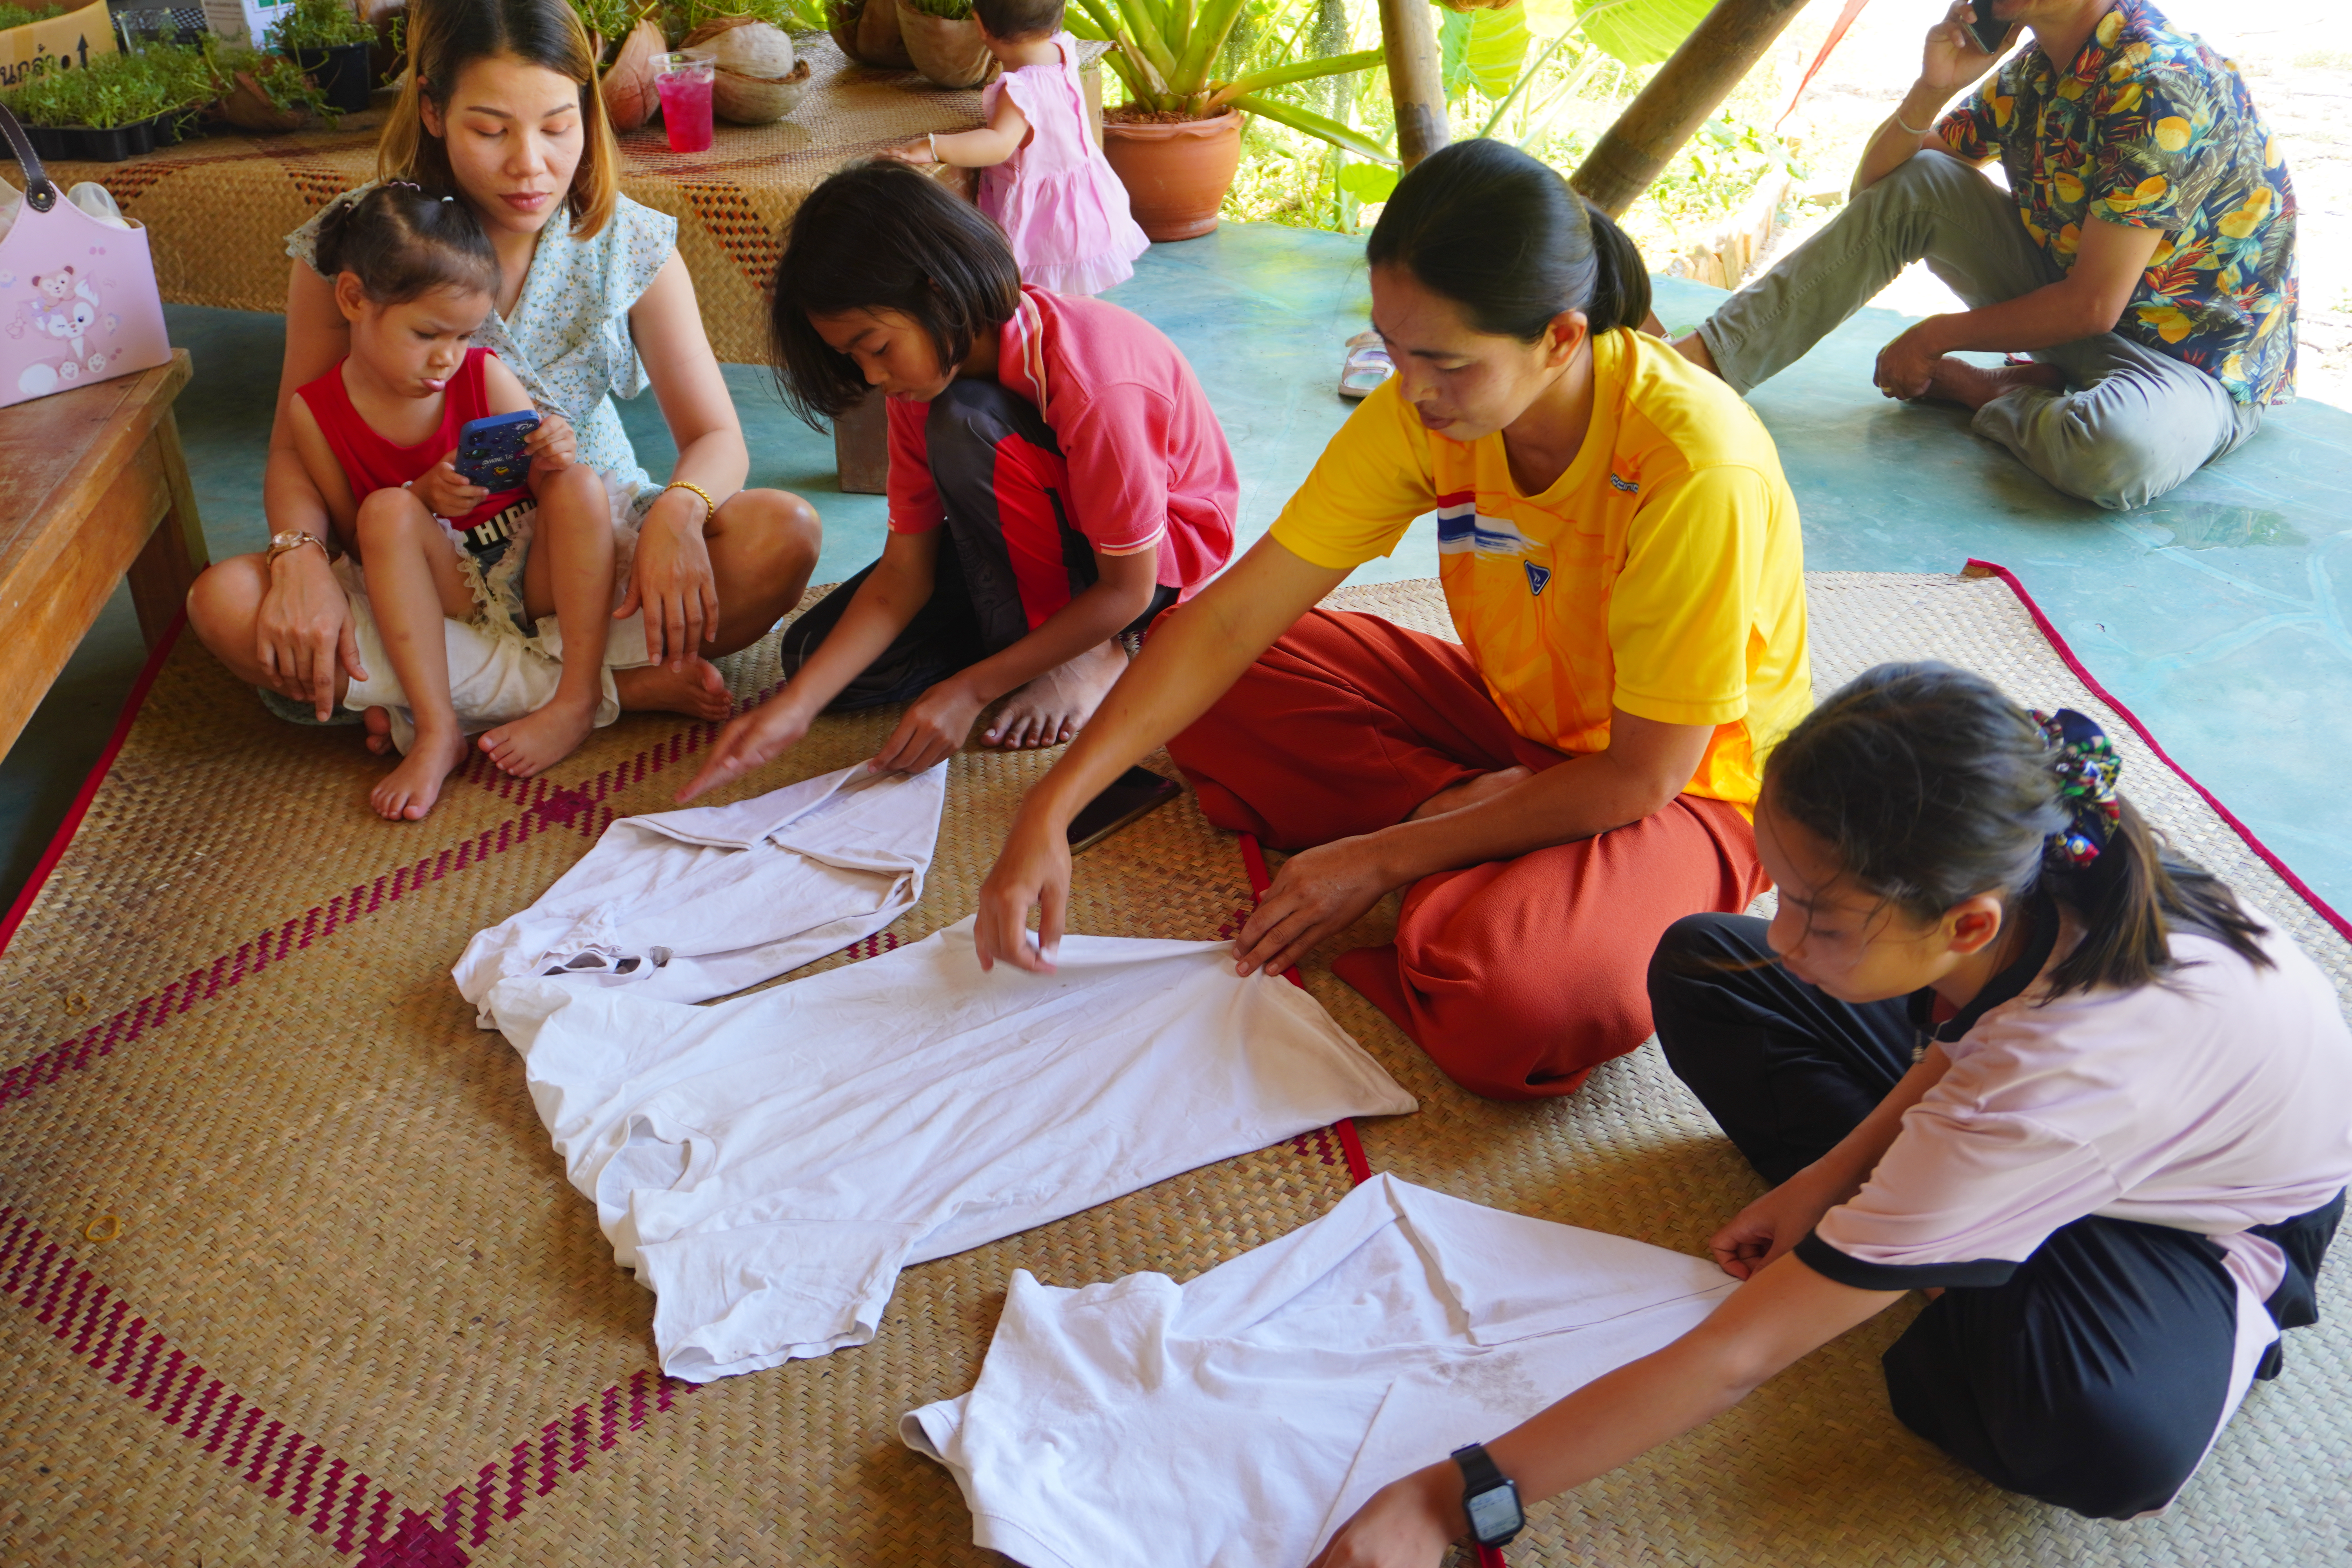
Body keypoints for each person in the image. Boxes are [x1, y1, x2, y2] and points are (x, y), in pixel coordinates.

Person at [1305, 664, 2352, 1565]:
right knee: (1707, 965)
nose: (1785, 937)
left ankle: (1942, 1245)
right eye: (1789, 890)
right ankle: (1929, 1234)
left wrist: (1449, 1497)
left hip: (2199, 1225)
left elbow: (1739, 1355)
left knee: (2083, 1431)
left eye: (1821, 918)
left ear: (1966, 924)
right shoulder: (2038, 858)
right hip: (2059, 1102)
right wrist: (1826, 1180)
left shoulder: (2067, 1073)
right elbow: (1971, 1039)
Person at [966, 138, 1812, 1101]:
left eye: (1445, 362)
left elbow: (1643, 772)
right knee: (1194, 661)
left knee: (1510, 1000)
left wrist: (1379, 858)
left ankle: (1484, 853)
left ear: (1560, 339)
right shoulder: (1429, 406)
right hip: (1520, 723)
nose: (1410, 388)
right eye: (1393, 347)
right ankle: (1481, 816)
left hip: (1690, 788)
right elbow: (1237, 618)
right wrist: (1051, 806)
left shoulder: (1696, 469)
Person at [185, 0, 820, 780]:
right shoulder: (358, 243)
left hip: (588, 559)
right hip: (413, 570)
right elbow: (297, 439)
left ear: (588, 112)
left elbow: (716, 437)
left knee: (782, 534)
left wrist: (681, 515)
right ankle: (604, 691)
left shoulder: (629, 239)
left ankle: (437, 700)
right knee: (224, 603)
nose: (530, 165)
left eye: (557, 127)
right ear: (432, 110)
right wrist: (300, 559)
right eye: (491, 131)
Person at [675, 162, 1235, 800]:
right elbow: (903, 573)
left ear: (938, 294)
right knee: (818, 660)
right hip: (1031, 533)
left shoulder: (1095, 382)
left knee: (966, 423)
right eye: (851, 358)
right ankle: (1038, 641)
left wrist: (970, 691)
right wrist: (795, 707)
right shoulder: (919, 379)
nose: (873, 376)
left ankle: (1096, 652)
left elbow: (1128, 586)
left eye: (876, 348)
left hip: (1150, 562)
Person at [1675, 0, 2296, 513]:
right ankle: (1705, 364)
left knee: (2113, 453)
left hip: (2193, 366)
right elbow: (1881, 194)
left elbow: (2093, 306)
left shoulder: (2161, 82)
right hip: (2075, 313)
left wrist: (1936, 338)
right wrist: (1933, 90)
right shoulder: (2035, 71)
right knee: (1924, 182)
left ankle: (1992, 393)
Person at [285, 183, 621, 820]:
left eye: (465, 335)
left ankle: (576, 700)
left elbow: (546, 486)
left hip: (530, 569)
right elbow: (356, 542)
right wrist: (420, 496)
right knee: (386, 511)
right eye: (427, 333)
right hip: (444, 592)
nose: (447, 358)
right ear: (354, 299)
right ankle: (439, 729)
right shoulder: (316, 414)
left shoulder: (483, 373)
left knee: (580, 483)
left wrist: (553, 449)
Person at [880, 0, 1149, 298]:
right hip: (1084, 204)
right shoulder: (1063, 48)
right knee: (1068, 292)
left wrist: (933, 146)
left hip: (1046, 224)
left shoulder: (1021, 90)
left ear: (980, 26)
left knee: (1039, 293)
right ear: (1060, 15)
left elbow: (998, 144)